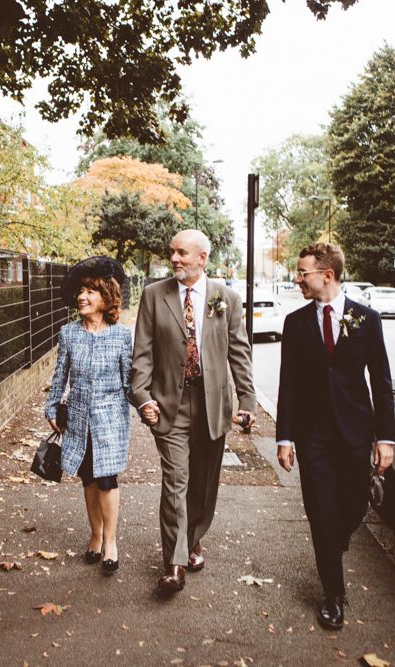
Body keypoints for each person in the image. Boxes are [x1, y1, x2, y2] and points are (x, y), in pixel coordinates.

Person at [276, 242, 395, 631]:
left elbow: (380, 380)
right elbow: (288, 382)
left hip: (355, 433)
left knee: (353, 508)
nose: (297, 280)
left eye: (302, 273)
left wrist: (385, 439)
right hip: (313, 438)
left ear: (327, 275)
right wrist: (285, 437)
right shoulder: (295, 323)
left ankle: (336, 538)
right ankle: (333, 595)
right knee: (321, 514)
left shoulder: (366, 318)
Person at [130, 229, 256, 594]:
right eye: (172, 252)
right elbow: (142, 354)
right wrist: (142, 397)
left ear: (203, 257)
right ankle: (174, 562)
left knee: (202, 484)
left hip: (213, 405)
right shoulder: (155, 296)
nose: (175, 259)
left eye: (183, 253)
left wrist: (247, 402)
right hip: (170, 404)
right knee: (175, 483)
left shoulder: (226, 299)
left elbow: (239, 354)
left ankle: (194, 535)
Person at [45, 256, 132, 576]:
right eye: (81, 291)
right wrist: (52, 405)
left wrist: (147, 405)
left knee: (107, 478)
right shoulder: (69, 333)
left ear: (106, 297)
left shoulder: (122, 337)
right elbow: (59, 376)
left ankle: (110, 541)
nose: (82, 297)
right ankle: (95, 534)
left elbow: (129, 383)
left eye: (90, 291)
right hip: (79, 417)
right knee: (89, 479)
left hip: (111, 419)